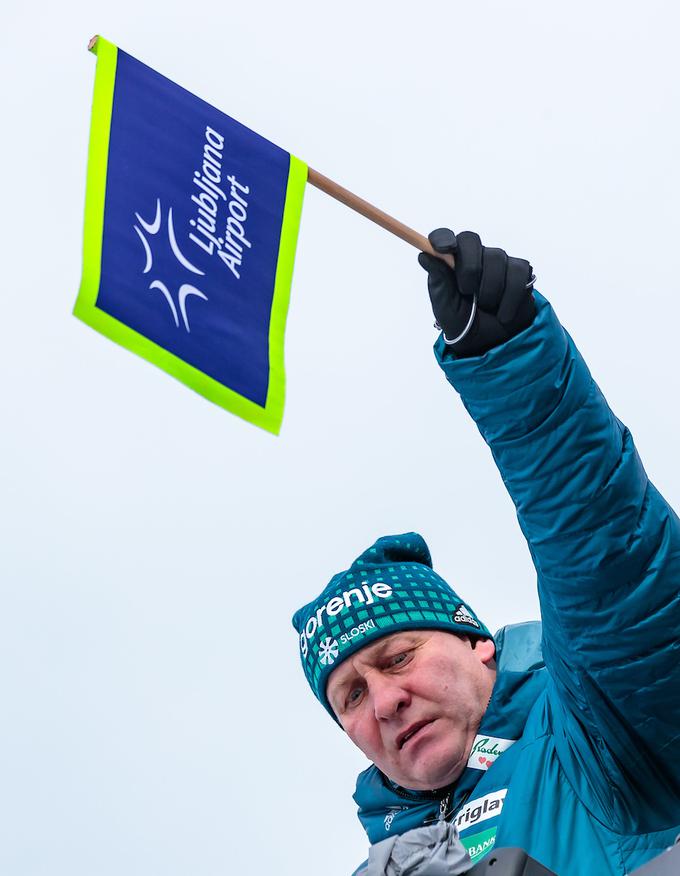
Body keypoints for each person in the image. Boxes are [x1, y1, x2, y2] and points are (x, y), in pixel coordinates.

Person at [292, 230, 680, 876]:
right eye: (352, 696)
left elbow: (615, 580)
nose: (386, 702)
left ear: (480, 643)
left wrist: (514, 370)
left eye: (398, 657)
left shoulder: (593, 744)